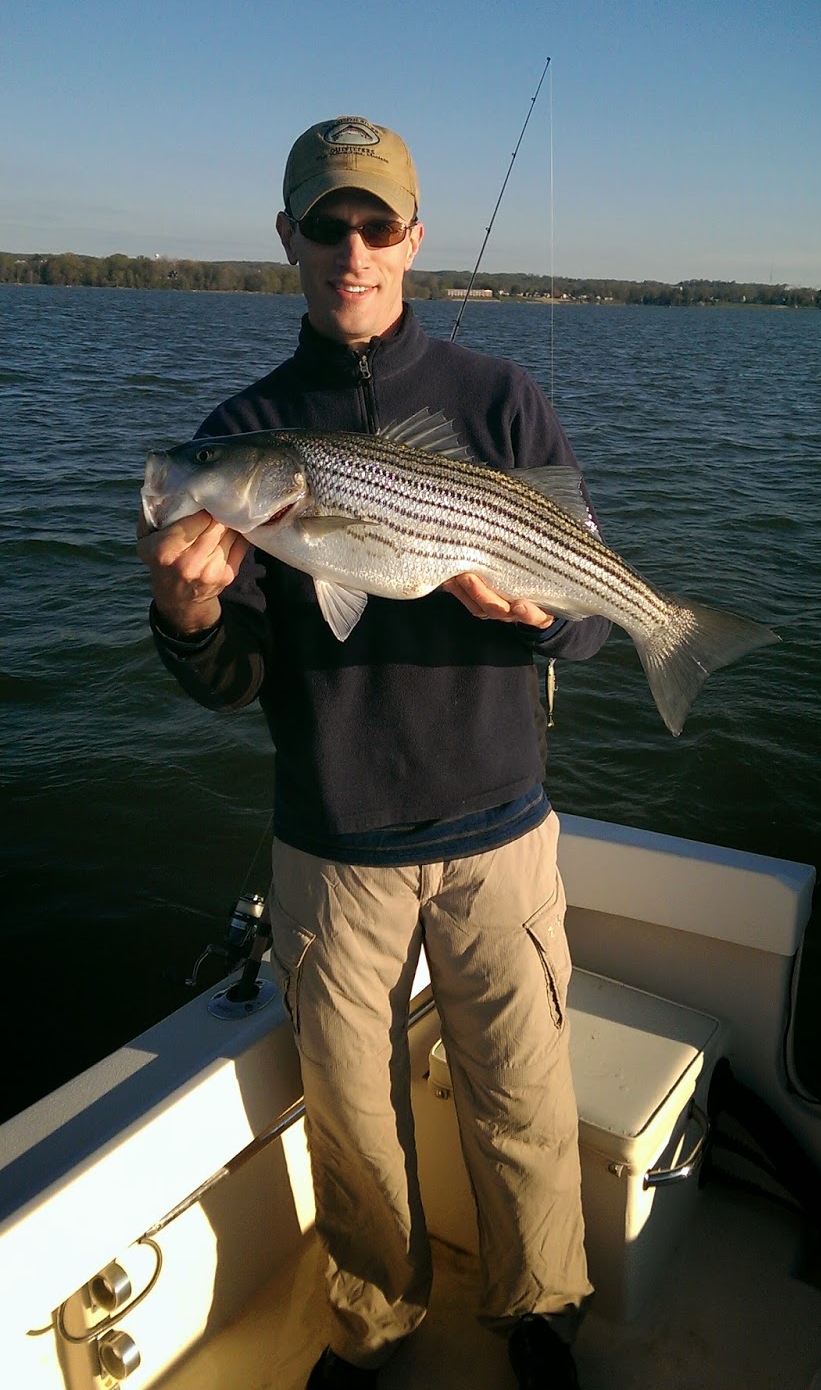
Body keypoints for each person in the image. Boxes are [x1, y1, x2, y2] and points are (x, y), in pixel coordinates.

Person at [138, 116, 609, 1389]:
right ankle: (373, 1322)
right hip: (330, 845)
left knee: (520, 1097)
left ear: (412, 237)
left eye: (376, 224)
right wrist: (185, 614)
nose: (351, 249)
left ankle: (541, 1316)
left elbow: (578, 619)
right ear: (287, 237)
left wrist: (550, 611)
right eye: (324, 225)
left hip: (499, 831)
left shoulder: (499, 399)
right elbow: (236, 680)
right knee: (352, 1124)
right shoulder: (245, 434)